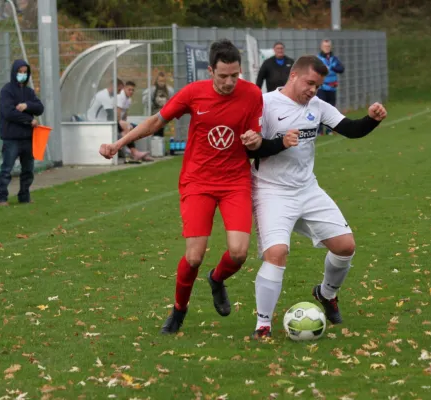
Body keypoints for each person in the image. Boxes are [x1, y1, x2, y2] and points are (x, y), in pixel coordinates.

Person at [98, 39, 298, 335]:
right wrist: (118, 144)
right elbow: (155, 122)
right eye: (223, 76)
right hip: (198, 181)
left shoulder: (252, 94)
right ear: (210, 71)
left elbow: (254, 135)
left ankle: (217, 279)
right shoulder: (194, 93)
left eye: (235, 75)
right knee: (193, 256)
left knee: (239, 253)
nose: (230, 82)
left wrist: (254, 140)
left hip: (234, 181)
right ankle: (179, 310)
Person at [249, 55, 387, 339]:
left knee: (345, 246)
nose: (313, 90)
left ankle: (326, 294)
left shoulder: (317, 106)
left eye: (318, 85)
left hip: (308, 189)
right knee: (277, 253)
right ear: (293, 76)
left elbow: (349, 129)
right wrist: (280, 144)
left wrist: (371, 120)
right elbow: (251, 150)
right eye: (310, 83)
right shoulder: (265, 104)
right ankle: (263, 324)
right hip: (270, 191)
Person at [0, 59, 45, 206]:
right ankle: (2, 197)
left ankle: (24, 196)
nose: (22, 75)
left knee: (28, 170)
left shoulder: (29, 92)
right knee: (7, 169)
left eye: (25, 72)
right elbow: (8, 112)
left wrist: (26, 105)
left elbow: (39, 107)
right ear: (14, 72)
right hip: (11, 138)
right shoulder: (7, 91)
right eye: (20, 72)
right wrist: (28, 120)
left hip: (28, 138)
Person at [117, 81, 152, 162]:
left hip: (121, 121)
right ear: (124, 88)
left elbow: (125, 114)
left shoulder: (128, 99)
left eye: (133, 90)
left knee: (138, 128)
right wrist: (124, 124)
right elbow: (117, 114)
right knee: (128, 130)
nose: (131, 92)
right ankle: (134, 153)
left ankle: (136, 152)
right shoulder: (120, 97)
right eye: (129, 90)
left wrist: (126, 123)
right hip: (115, 122)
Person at [317, 39, 345, 135]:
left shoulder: (334, 59)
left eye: (328, 46)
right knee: (321, 108)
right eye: (325, 46)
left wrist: (332, 67)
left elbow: (341, 69)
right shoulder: (318, 59)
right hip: (321, 88)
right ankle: (319, 130)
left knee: (331, 109)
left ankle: (329, 129)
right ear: (321, 47)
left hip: (332, 88)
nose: (327, 48)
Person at [142, 71, 175, 137]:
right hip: (154, 114)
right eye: (160, 81)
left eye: (163, 81)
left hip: (164, 114)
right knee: (154, 131)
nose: (161, 83)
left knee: (160, 131)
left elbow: (172, 101)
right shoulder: (152, 90)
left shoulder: (169, 90)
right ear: (157, 81)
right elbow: (145, 100)